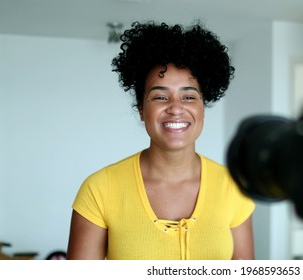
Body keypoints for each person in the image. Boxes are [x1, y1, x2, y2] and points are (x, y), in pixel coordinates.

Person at [66, 20, 255, 260]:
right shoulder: (99, 189)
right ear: (141, 109)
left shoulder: (234, 187)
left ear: (202, 108)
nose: (176, 108)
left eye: (188, 96)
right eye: (160, 97)